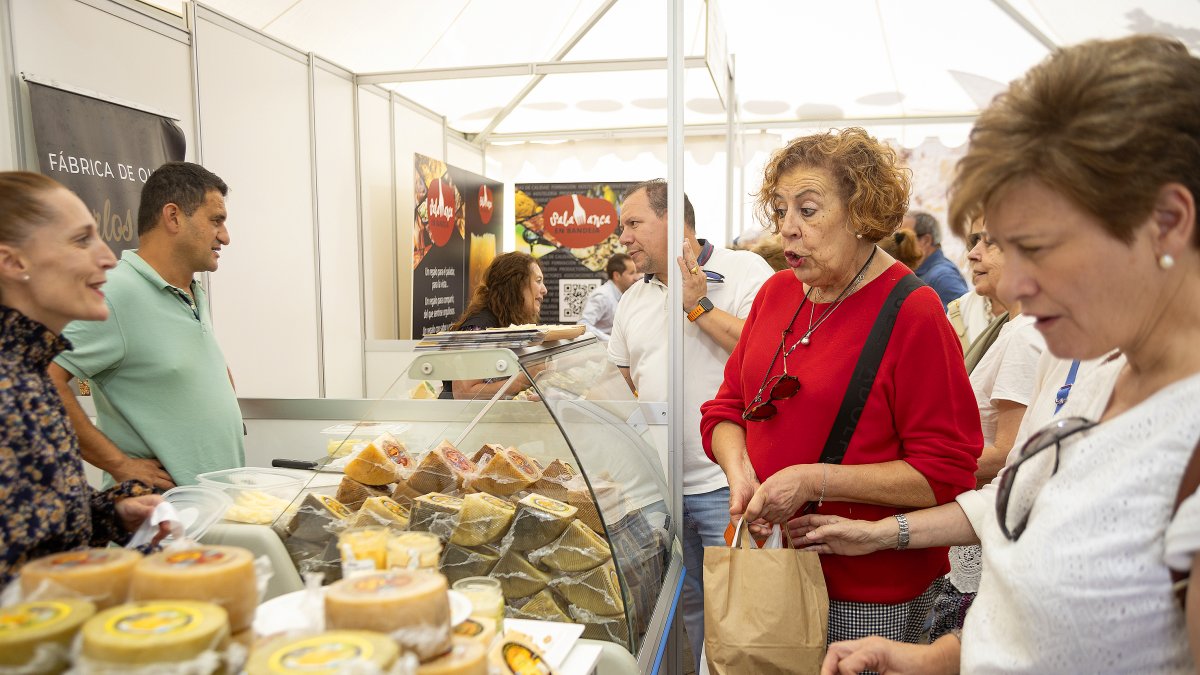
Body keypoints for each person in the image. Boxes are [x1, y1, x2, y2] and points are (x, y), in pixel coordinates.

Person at [806, 35, 1200, 674]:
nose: (1014, 285)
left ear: (1167, 220)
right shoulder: (1103, 368)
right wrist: (933, 659)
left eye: (1038, 247)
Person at [699, 127, 982, 645]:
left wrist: (814, 481)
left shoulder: (913, 312)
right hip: (772, 570)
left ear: (861, 214)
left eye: (807, 210)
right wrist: (739, 474)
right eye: (780, 210)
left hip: (867, 596)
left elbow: (946, 471)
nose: (787, 228)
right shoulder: (778, 293)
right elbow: (726, 409)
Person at [609, 179, 773, 669]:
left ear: (674, 223)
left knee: (732, 622)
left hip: (727, 486)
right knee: (670, 615)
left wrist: (699, 307)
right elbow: (623, 380)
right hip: (656, 491)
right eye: (622, 227)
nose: (624, 238)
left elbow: (768, 355)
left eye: (634, 224)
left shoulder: (746, 271)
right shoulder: (634, 298)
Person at [0, 171, 166, 585]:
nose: (108, 257)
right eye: (81, 240)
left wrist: (111, 513)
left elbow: (35, 520)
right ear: (13, 263)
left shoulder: (29, 368)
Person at [49, 162, 244, 489]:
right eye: (216, 221)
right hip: (157, 519)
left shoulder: (191, 291)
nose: (224, 236)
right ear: (173, 217)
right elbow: (43, 380)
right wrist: (120, 465)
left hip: (210, 511)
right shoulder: (114, 294)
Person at [932, 217, 1045, 641]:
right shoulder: (1011, 328)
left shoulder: (1024, 336)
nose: (973, 253)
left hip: (984, 534)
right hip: (977, 529)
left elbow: (1006, 454)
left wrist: (917, 475)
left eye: (989, 243)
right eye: (973, 242)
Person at [441, 251, 546, 399]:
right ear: (515, 284)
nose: (544, 290)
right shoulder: (478, 328)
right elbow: (463, 393)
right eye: (538, 280)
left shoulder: (509, 323)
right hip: (461, 420)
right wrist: (527, 377)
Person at [907, 210, 969, 309]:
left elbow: (965, 315)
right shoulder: (922, 273)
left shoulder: (943, 276)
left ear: (925, 241)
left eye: (904, 238)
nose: (896, 244)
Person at [578, 252, 638, 341]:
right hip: (601, 352)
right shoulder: (602, 296)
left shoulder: (624, 295)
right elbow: (583, 325)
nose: (635, 277)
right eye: (631, 273)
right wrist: (611, 341)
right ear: (617, 275)